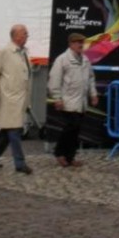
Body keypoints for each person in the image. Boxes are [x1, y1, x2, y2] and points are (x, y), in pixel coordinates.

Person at [0, 24, 34, 174]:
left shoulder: (23, 53)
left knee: (7, 130)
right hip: (8, 100)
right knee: (14, 131)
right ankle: (20, 163)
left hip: (19, 99)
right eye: (25, 34)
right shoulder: (4, 52)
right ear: (16, 36)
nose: (27, 36)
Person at [48, 32, 99, 168]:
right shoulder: (62, 59)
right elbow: (54, 80)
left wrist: (93, 94)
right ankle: (59, 153)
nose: (81, 45)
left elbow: (91, 78)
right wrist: (57, 98)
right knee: (71, 127)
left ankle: (70, 157)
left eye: (82, 42)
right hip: (68, 101)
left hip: (81, 102)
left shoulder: (86, 60)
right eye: (77, 42)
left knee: (76, 131)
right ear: (71, 44)